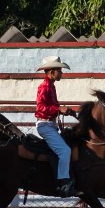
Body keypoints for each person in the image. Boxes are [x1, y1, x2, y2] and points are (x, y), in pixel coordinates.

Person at [35, 55, 75, 197]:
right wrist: (58, 110)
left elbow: (51, 106)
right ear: (52, 72)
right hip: (45, 125)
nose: (62, 73)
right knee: (65, 151)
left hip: (50, 125)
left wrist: (64, 110)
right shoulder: (44, 86)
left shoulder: (50, 86)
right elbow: (40, 108)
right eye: (59, 70)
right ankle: (63, 183)